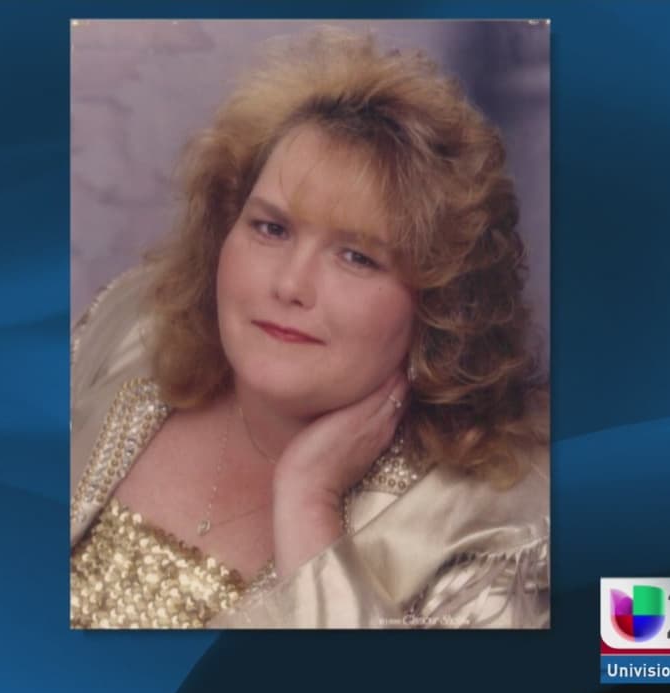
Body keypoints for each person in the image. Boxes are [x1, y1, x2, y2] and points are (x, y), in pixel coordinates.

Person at [70, 26, 549, 629]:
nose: (290, 285)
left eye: (357, 257)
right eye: (271, 228)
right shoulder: (133, 328)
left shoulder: (498, 535)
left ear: (440, 305)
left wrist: (308, 504)